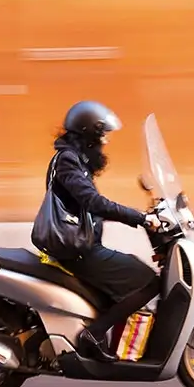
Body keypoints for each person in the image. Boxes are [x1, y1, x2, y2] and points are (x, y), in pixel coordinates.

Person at [43, 100, 162, 362]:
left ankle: (105, 339)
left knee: (120, 286)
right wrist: (140, 218)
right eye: (103, 134)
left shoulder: (75, 160)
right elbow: (93, 202)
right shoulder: (67, 161)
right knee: (149, 281)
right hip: (77, 249)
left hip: (81, 245)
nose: (105, 141)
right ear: (88, 133)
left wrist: (146, 214)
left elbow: (88, 206)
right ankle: (93, 335)